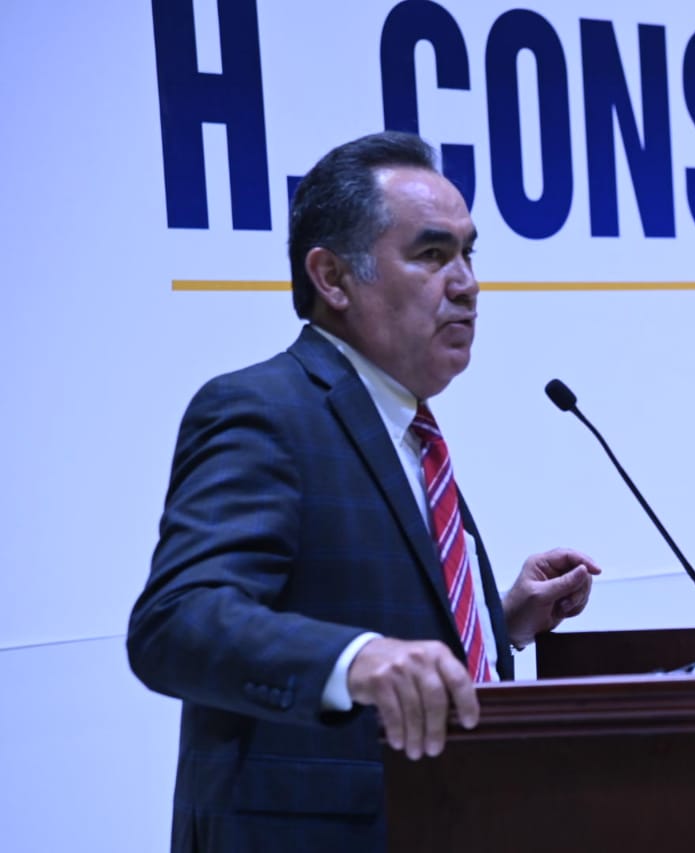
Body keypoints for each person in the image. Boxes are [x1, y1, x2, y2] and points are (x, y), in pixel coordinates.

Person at [127, 131, 601, 852]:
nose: (467, 284)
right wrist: (354, 660)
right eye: (432, 254)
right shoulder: (263, 411)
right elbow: (176, 623)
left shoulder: (406, 425)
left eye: (469, 254)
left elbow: (367, 606)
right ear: (333, 277)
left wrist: (495, 623)